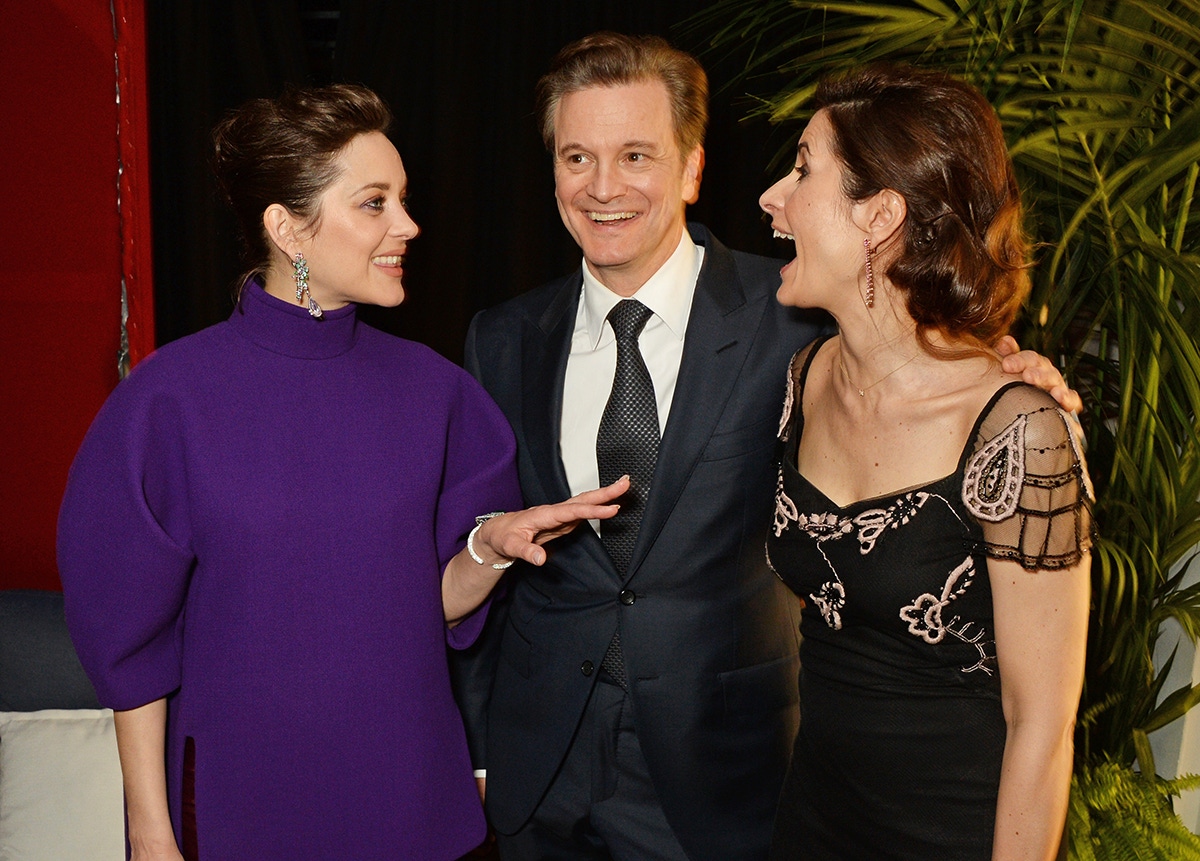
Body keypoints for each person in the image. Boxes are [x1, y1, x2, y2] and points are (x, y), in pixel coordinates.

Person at [452, 33, 1078, 861]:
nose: (603, 187)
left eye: (635, 153)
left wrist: (1014, 369)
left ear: (691, 168)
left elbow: (920, 353)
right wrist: (484, 754)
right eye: (577, 156)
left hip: (726, 787)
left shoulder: (794, 323)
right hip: (543, 786)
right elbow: (480, 555)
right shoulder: (500, 340)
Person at [56, 83, 625, 861]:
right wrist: (150, 830)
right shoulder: (167, 401)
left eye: (403, 198)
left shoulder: (438, 392)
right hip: (237, 811)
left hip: (411, 804)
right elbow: (130, 643)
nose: (408, 224)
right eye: (374, 203)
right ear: (287, 227)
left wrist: (489, 548)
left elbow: (422, 608)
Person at [759, 64, 1093, 860]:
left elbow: (1041, 726)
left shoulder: (1020, 431)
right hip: (811, 823)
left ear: (879, 215)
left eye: (804, 169)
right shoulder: (806, 377)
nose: (774, 196)